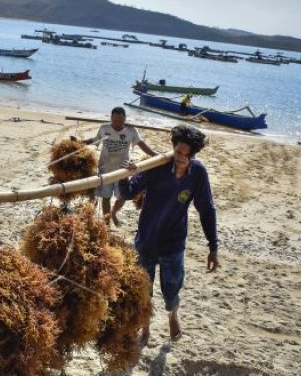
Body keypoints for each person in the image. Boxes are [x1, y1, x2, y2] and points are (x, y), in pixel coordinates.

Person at [118, 125, 218, 344]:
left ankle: (172, 315)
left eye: (186, 155)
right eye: (178, 153)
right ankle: (145, 327)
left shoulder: (197, 174)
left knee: (172, 288)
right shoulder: (157, 166)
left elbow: (207, 209)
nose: (181, 158)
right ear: (173, 149)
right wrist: (126, 175)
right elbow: (127, 193)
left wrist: (213, 247)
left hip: (173, 244)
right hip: (146, 240)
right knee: (144, 290)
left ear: (193, 155)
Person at [85, 106, 157, 227]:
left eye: (120, 121)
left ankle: (114, 213)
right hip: (105, 168)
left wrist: (155, 155)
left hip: (123, 170)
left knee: (123, 196)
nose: (117, 123)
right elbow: (94, 140)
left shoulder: (131, 131)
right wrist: (79, 142)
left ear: (125, 120)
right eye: (115, 120)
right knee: (106, 197)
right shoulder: (104, 128)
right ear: (111, 119)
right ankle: (106, 223)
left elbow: (141, 144)